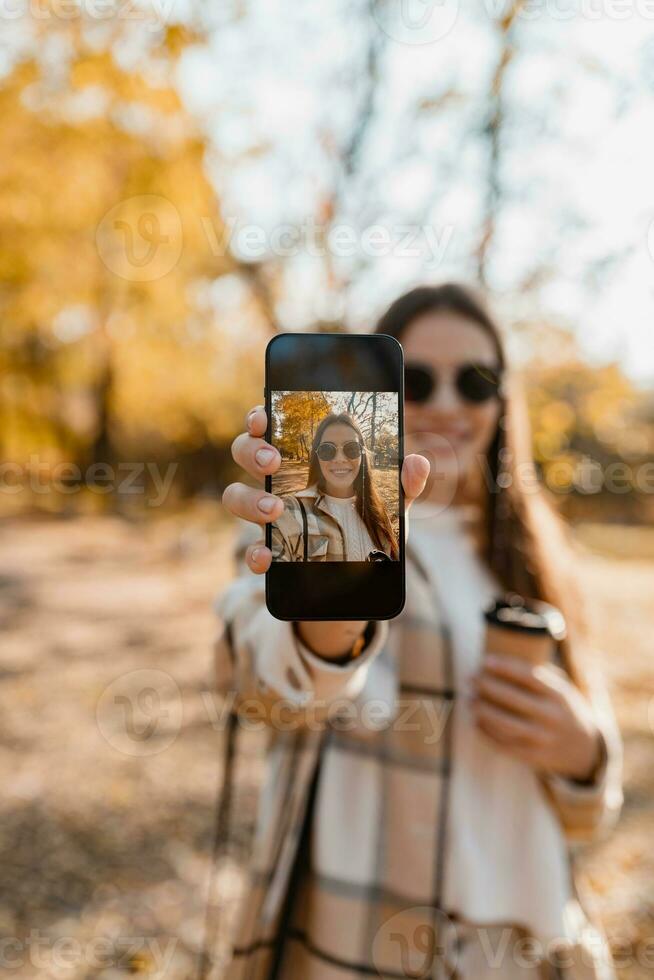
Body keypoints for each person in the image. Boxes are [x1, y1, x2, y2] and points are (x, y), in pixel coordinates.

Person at [217, 283, 623, 980]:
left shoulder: (537, 556)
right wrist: (328, 618)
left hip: (530, 946)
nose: (444, 404)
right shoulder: (306, 532)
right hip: (366, 942)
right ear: (372, 392)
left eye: (475, 381)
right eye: (414, 380)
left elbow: (592, 807)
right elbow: (261, 689)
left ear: (503, 400)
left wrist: (584, 751)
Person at [270, 411, 399, 562]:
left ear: (362, 455)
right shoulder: (288, 512)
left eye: (351, 449)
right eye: (327, 450)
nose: (340, 459)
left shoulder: (378, 511)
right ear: (317, 457)